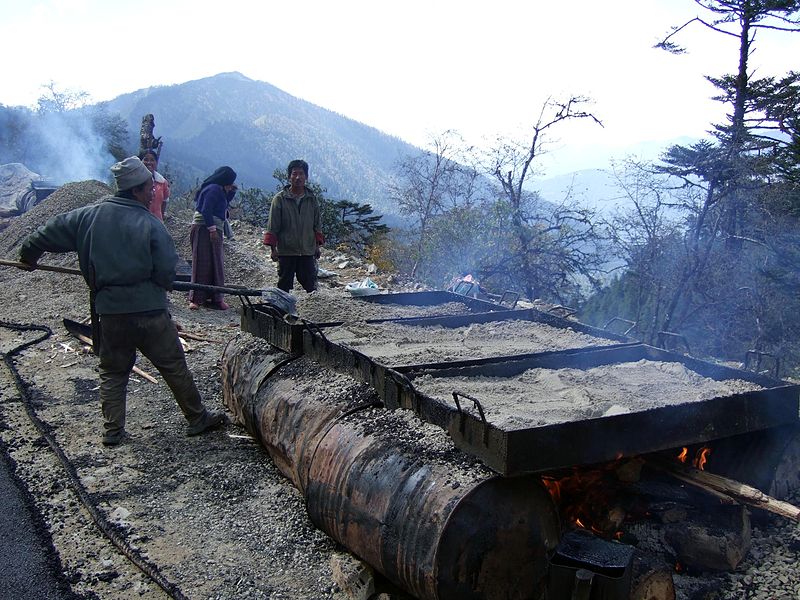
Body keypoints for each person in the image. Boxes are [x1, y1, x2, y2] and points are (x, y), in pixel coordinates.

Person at [18, 156, 226, 446]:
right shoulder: (151, 225)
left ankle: (113, 431)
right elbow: (166, 273)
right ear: (137, 190)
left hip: (111, 313)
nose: (153, 191)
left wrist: (29, 256)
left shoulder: (87, 217)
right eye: (149, 188)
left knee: (113, 371)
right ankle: (197, 418)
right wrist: (162, 283)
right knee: (173, 365)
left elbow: (43, 235)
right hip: (150, 311)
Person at [263, 159, 324, 293]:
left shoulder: (312, 199)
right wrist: (273, 250)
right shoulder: (279, 199)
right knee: (284, 284)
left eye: (301, 174)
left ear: (306, 177)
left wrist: (317, 247)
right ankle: (281, 311)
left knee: (310, 284)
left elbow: (317, 224)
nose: (298, 177)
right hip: (286, 250)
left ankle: (315, 311)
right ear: (289, 176)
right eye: (294, 174)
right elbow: (273, 226)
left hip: (307, 250)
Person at [189, 166, 237, 310]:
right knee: (202, 262)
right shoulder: (213, 189)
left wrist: (231, 192)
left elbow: (222, 205)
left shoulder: (219, 190)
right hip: (204, 228)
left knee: (216, 262)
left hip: (214, 228)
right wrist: (211, 229)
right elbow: (206, 210)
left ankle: (216, 297)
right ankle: (196, 299)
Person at [138, 148, 170, 221]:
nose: (149, 162)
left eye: (152, 160)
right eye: (146, 159)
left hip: (156, 221)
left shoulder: (162, 182)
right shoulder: (134, 180)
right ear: (140, 161)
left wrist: (161, 218)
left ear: (156, 162)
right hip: (138, 221)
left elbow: (164, 201)